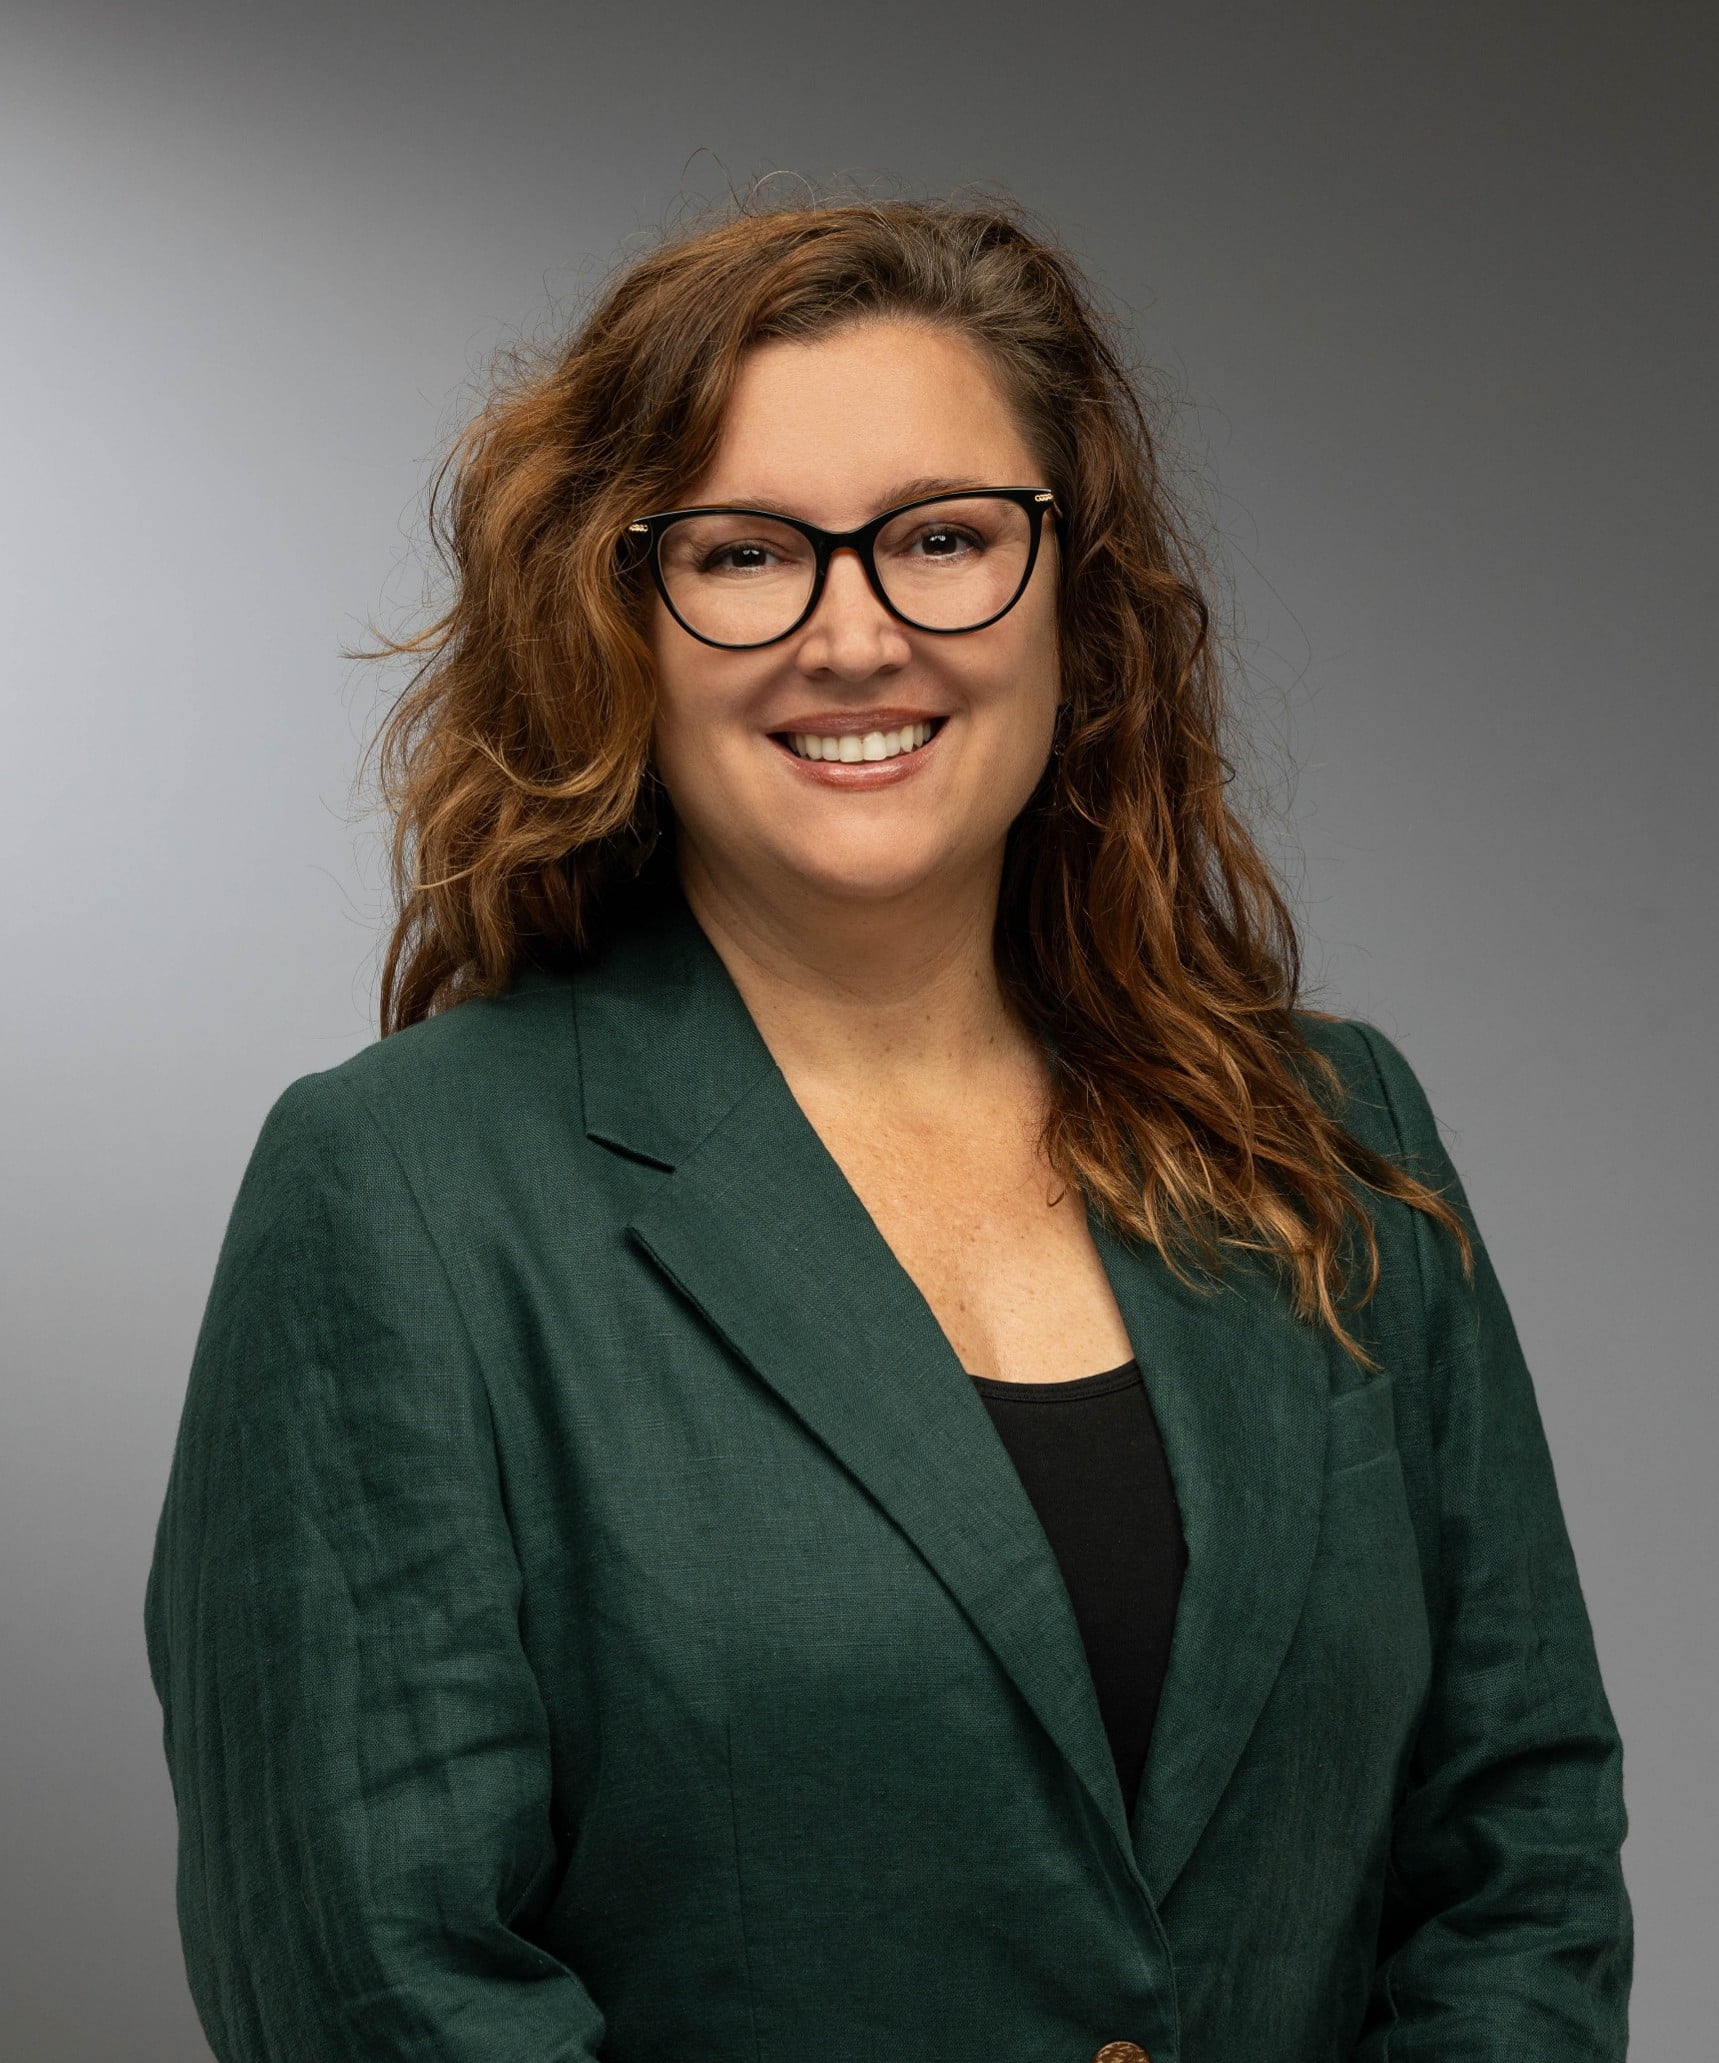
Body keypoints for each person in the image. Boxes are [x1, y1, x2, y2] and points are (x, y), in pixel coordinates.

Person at [144, 195, 1631, 2063]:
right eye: (750, 553)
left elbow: (1525, 1845)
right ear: (617, 622)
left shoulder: (1331, 1131)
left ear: (1078, 606)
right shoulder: (404, 1196)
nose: (855, 636)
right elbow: (380, 1986)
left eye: (944, 537)